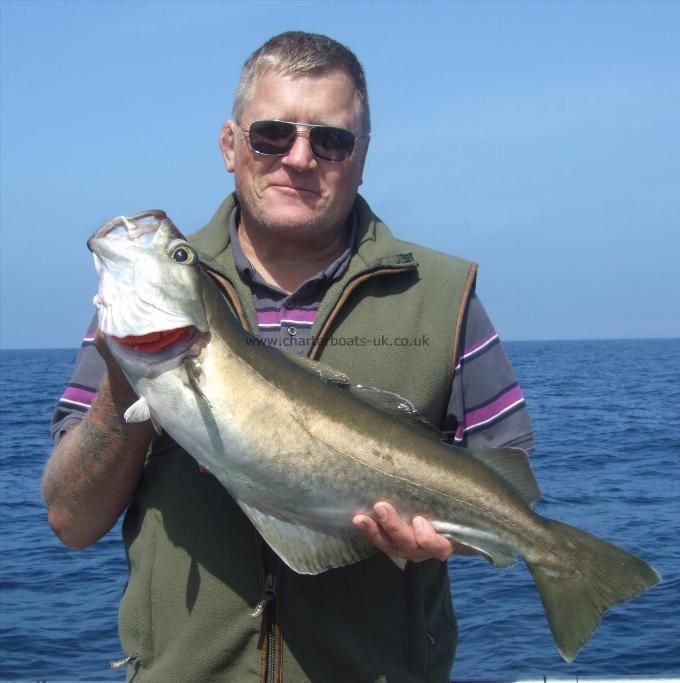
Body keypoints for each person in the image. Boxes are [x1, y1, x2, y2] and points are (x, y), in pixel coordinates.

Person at [44, 31, 533, 682]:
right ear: (230, 146)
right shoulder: (152, 298)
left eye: (330, 140)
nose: (300, 158)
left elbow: (510, 483)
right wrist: (122, 376)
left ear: (361, 158)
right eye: (272, 134)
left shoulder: (446, 300)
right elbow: (70, 522)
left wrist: (456, 538)